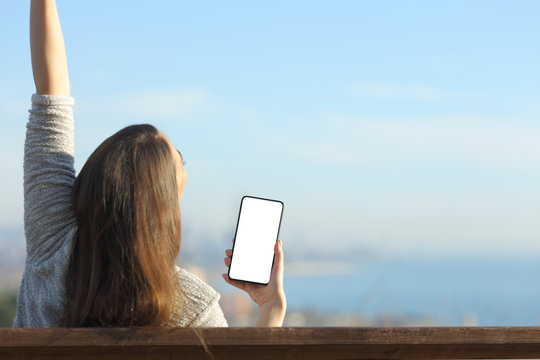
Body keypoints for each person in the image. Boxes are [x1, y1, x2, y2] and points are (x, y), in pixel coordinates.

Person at [14, 0, 286, 328]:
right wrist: (270, 306)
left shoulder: (52, 239)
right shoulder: (192, 308)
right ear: (163, 204)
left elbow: (51, 96)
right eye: (180, 160)